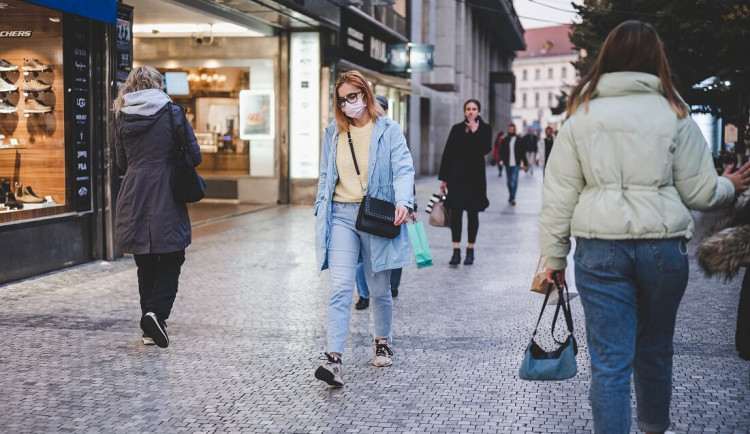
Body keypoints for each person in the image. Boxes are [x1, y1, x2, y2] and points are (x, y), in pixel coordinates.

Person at [539, 20, 750, 434]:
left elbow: (558, 194)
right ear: (657, 59)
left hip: (600, 250)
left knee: (610, 363)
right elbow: (700, 194)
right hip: (663, 249)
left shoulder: (580, 116)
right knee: (654, 352)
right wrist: (731, 184)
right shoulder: (676, 114)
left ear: (608, 58)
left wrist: (555, 257)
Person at [314, 71, 415, 387]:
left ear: (366, 95)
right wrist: (321, 208)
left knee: (379, 288)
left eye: (352, 97)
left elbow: (403, 169)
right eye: (342, 100)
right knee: (342, 287)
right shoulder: (333, 132)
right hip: (342, 216)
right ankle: (334, 360)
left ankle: (382, 340)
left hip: (377, 216)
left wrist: (403, 201)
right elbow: (324, 176)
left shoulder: (389, 130)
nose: (347, 105)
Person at [114, 66, 202, 349]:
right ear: (157, 85)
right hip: (167, 189)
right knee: (173, 255)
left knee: (145, 261)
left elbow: (119, 161)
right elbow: (195, 155)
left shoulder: (121, 115)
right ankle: (155, 314)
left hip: (134, 190)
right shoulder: (173, 113)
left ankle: (150, 328)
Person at [354, 94, 414, 310]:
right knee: (360, 258)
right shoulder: (359, 133)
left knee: (391, 246)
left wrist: (407, 203)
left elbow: (404, 170)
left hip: (388, 204)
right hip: (359, 206)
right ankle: (363, 293)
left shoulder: (392, 131)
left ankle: (391, 285)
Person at [498, 123, 528, 206]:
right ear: (508, 130)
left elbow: (523, 153)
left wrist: (525, 164)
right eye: (510, 129)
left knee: (514, 180)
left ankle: (513, 197)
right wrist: (500, 159)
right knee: (508, 181)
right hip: (507, 163)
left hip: (516, 164)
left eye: (513, 129)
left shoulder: (520, 140)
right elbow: (501, 151)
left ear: (515, 130)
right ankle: (511, 195)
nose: (511, 131)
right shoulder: (505, 140)